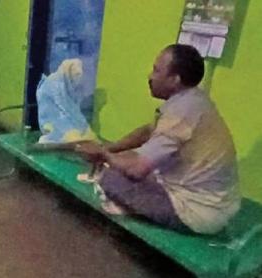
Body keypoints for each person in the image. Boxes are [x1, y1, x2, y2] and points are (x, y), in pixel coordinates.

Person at [76, 44, 240, 235]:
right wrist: (111, 148)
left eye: (156, 70)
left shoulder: (181, 113)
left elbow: (136, 171)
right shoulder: (193, 100)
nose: (150, 77)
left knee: (110, 177)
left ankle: (132, 211)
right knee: (126, 162)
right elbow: (148, 131)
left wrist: (102, 155)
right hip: (219, 204)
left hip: (198, 213)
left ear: (174, 80)